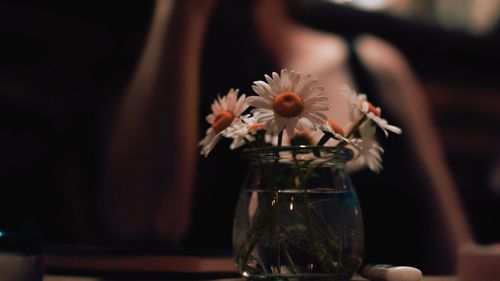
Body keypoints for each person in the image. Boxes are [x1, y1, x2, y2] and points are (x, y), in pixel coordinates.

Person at [102, 0, 472, 273]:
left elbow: (457, 249)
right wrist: (182, 15)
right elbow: (142, 226)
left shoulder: (375, 65)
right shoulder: (169, 75)